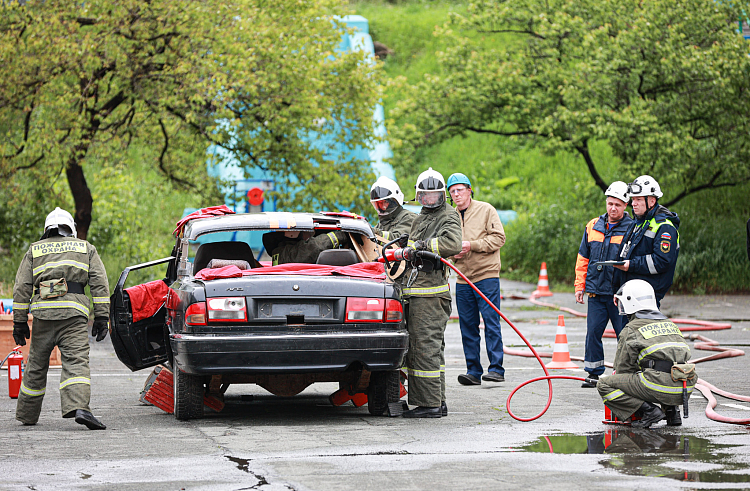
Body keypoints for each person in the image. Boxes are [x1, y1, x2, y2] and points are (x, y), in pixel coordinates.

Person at [12, 207, 110, 430]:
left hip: (43, 317)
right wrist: (102, 317)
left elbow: (22, 287)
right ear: (71, 229)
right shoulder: (85, 248)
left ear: (47, 229)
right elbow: (99, 283)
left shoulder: (35, 250)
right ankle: (81, 408)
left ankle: (27, 415)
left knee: (36, 366)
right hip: (74, 317)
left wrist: (19, 321)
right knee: (76, 362)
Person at [401, 168, 462, 418]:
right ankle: (438, 400)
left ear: (442, 196)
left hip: (431, 295)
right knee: (429, 349)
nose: (429, 200)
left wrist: (423, 246)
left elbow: (453, 243)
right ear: (418, 197)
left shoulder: (449, 216)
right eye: (424, 196)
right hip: (417, 292)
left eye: (434, 195)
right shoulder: (420, 218)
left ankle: (429, 405)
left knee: (424, 348)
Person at [596, 279, 696, 428]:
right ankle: (672, 412)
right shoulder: (670, 324)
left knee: (604, 384)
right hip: (685, 387)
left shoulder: (631, 329)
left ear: (631, 302)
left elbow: (623, 369)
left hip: (660, 387)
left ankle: (649, 411)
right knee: (660, 367)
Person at [446, 173, 507, 386]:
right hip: (462, 278)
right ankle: (473, 371)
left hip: (486, 275)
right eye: (452, 191)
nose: (456, 194)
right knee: (467, 326)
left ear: (470, 190)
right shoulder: (450, 216)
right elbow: (446, 247)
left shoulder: (486, 210)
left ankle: (496, 369)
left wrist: (472, 245)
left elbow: (499, 237)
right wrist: (454, 253)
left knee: (491, 322)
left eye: (460, 190)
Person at [574, 181, 634, 388]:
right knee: (593, 333)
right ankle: (593, 373)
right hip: (596, 293)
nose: (613, 208)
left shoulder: (632, 229)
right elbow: (583, 258)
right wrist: (579, 286)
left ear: (625, 205)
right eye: (610, 203)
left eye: (617, 204)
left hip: (620, 295)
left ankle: (625, 374)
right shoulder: (593, 226)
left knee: (624, 336)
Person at [613, 175, 680, 308]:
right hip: (629, 293)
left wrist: (631, 265)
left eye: (638, 199)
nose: (633, 203)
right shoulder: (638, 223)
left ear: (652, 201)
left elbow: (661, 261)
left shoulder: (664, 227)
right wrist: (619, 290)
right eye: (633, 199)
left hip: (646, 296)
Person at [369, 176, 417, 242]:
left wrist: (376, 233)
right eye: (378, 203)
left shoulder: (409, 218)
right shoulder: (382, 223)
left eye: (385, 202)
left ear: (395, 200)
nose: (382, 206)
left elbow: (399, 240)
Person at [266, 230, 350, 265]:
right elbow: (312, 248)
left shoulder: (281, 251)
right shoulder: (284, 253)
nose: (310, 237)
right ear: (293, 234)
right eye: (308, 234)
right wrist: (340, 235)